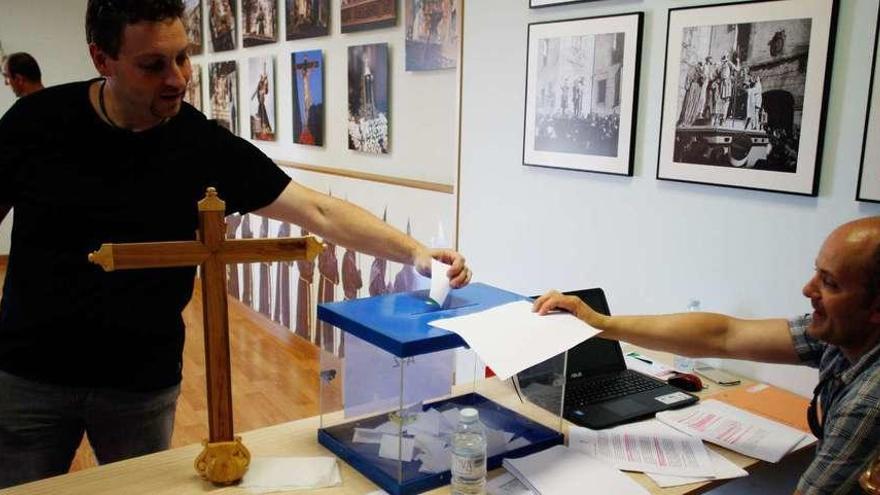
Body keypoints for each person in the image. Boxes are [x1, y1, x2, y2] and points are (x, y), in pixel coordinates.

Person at [0, 0, 471, 488]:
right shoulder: (35, 124)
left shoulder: (201, 146)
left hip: (141, 381)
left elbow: (318, 210)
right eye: (152, 65)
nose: (178, 78)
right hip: (31, 374)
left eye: (183, 57)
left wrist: (415, 251)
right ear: (102, 60)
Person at [534, 217, 880, 495]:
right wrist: (599, 323)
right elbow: (725, 335)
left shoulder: (869, 403)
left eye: (830, 283)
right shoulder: (841, 333)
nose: (808, 290)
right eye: (816, 272)